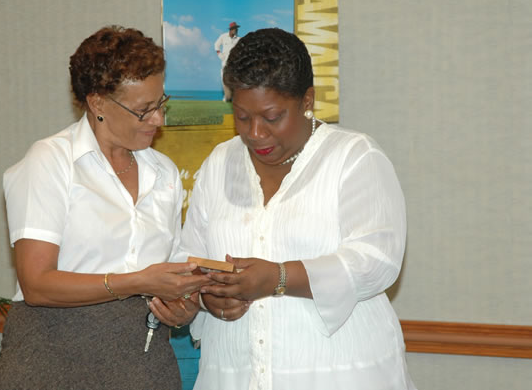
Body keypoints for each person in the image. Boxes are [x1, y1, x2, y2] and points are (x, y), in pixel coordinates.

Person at [174, 28, 417, 389]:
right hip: (236, 371)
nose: (255, 132)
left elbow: (377, 261)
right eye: (242, 116)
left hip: (340, 372)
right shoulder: (220, 162)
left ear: (307, 100)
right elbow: (190, 258)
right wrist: (209, 298)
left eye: (272, 117)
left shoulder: (353, 156)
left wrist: (278, 278)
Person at [0, 25, 209, 390]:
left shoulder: (163, 172)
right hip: (51, 364)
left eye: (160, 103)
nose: (158, 119)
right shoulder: (52, 161)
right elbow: (37, 284)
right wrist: (137, 281)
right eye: (144, 110)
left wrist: (183, 308)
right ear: (98, 103)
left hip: (143, 368)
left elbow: (171, 278)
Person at [214, 21, 240, 102]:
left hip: (234, 64)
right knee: (224, 79)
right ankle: (227, 96)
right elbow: (216, 45)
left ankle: (232, 97)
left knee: (234, 80)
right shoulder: (223, 36)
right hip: (225, 62)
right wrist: (219, 54)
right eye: (234, 29)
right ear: (231, 29)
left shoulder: (239, 39)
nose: (236, 31)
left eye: (236, 29)